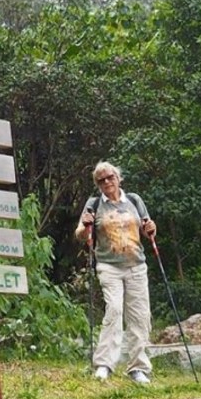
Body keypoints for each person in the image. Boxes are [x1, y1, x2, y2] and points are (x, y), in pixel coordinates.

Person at [74, 161, 156, 384]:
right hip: (109, 266)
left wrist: (151, 229)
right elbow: (80, 234)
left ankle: (138, 367)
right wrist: (85, 225)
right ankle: (104, 364)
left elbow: (147, 227)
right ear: (97, 184)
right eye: (101, 180)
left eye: (110, 177)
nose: (107, 182)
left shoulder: (135, 201)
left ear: (119, 178)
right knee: (114, 311)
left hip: (136, 265)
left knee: (139, 316)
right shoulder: (94, 205)